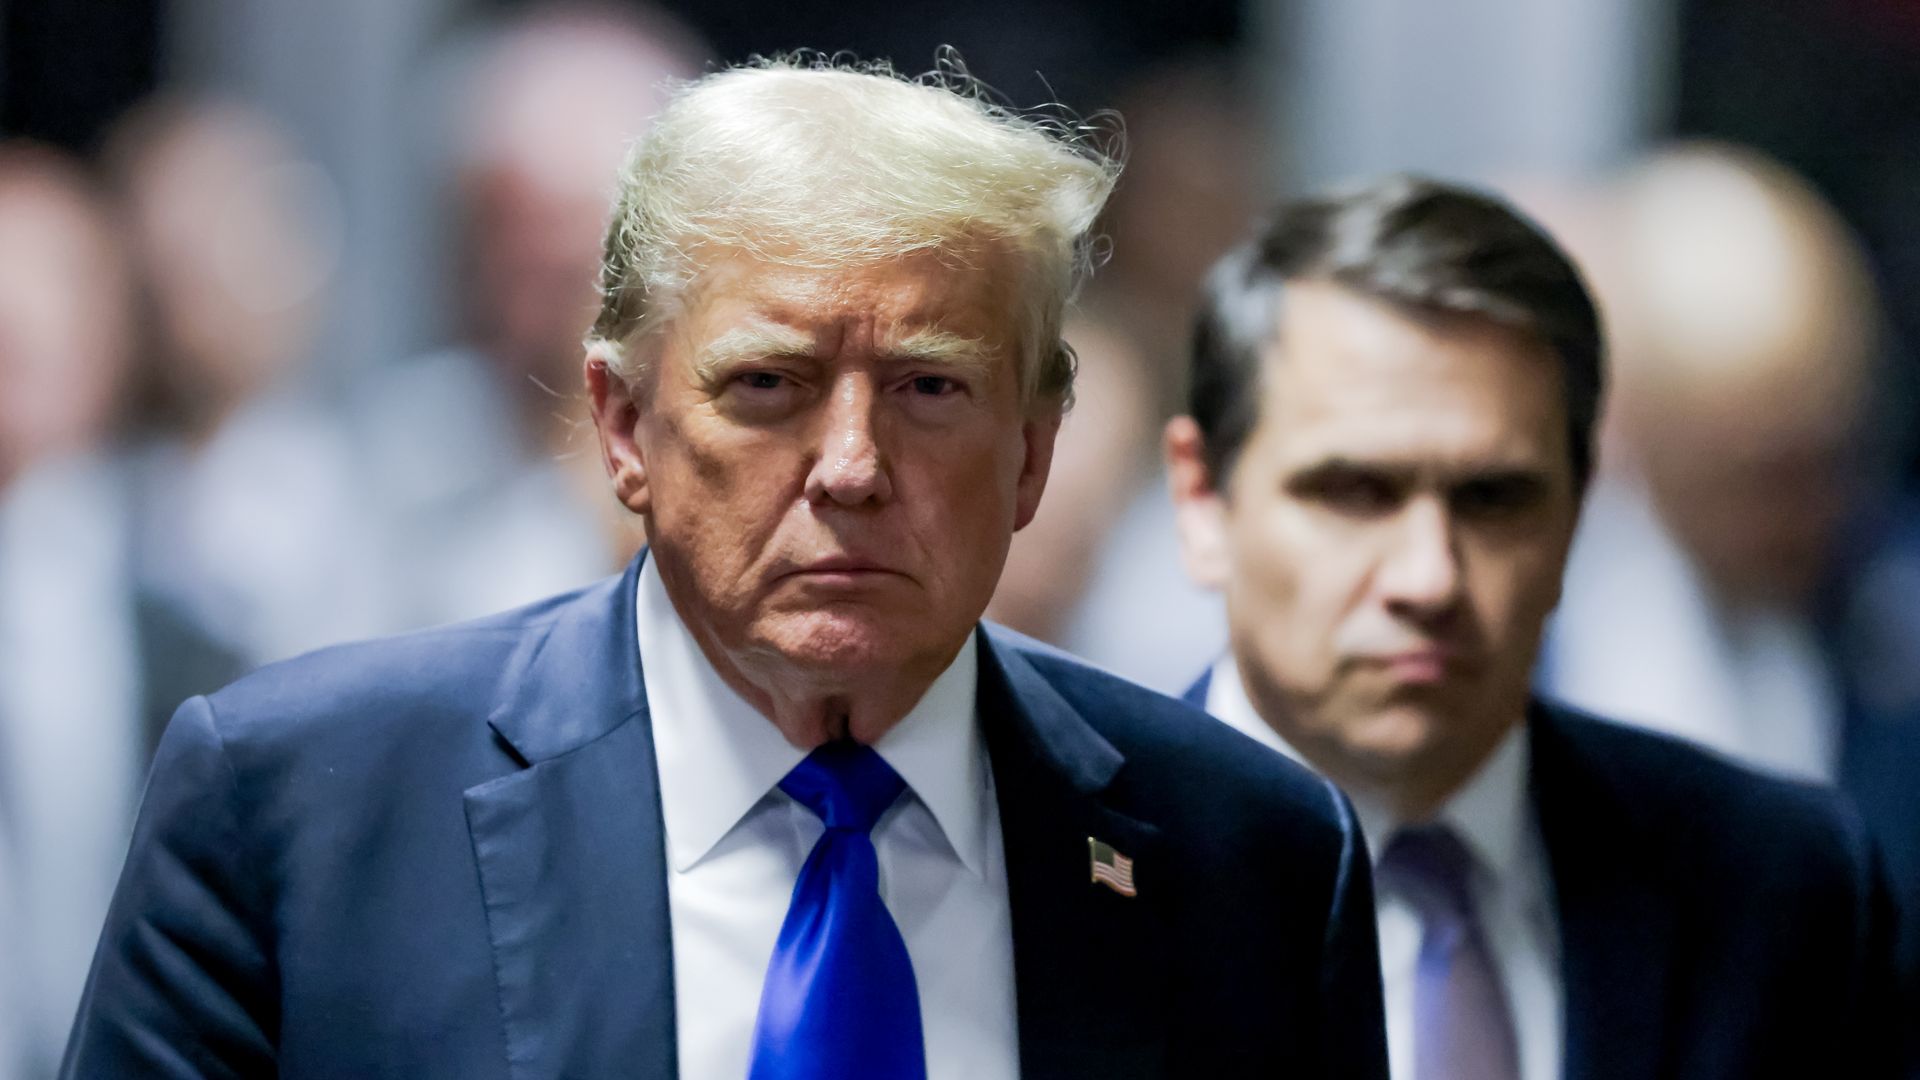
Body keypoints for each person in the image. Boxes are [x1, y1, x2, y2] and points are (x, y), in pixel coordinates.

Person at [62, 59, 1388, 1079]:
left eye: (931, 387)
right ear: (626, 427)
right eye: (768, 385)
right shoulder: (298, 820)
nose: (853, 465)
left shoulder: (1248, 862)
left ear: (1035, 453)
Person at [1164, 175, 1903, 1079]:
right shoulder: (1038, 874)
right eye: (1356, 493)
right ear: (1202, 500)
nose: (1429, 577)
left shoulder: (1780, 887)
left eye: (1495, 498)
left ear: (1578, 511)